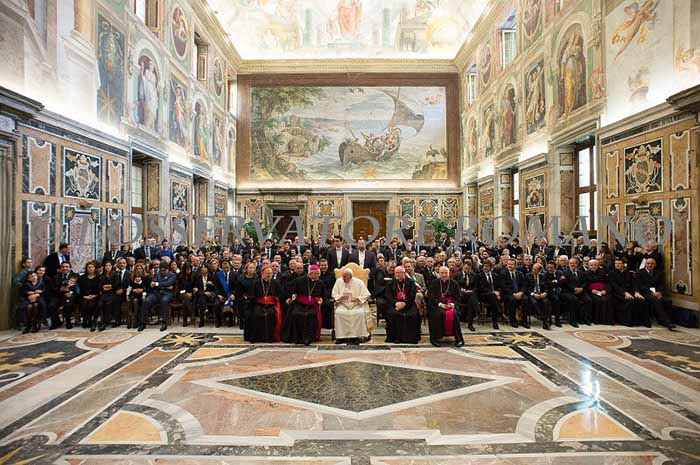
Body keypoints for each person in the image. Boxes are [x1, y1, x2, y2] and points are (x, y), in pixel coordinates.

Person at [283, 265, 325, 345]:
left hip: (312, 305)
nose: (319, 275)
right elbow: (288, 288)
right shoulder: (299, 280)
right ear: (311, 274)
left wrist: (321, 299)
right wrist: (290, 296)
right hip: (299, 304)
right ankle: (297, 338)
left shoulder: (320, 282)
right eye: (317, 274)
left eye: (319, 273)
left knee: (311, 315)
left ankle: (308, 339)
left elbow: (323, 294)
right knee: (296, 314)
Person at [331, 267, 372, 345]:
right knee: (339, 313)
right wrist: (340, 297)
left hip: (356, 304)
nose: (343, 278)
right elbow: (334, 293)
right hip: (342, 304)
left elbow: (367, 294)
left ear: (350, 276)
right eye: (342, 276)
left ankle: (356, 337)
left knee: (359, 313)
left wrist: (357, 299)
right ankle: (341, 337)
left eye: (345, 277)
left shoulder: (359, 282)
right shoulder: (339, 281)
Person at [426, 266, 464, 347]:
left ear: (449, 273)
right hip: (437, 305)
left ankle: (459, 339)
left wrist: (452, 304)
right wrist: (440, 304)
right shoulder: (434, 283)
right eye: (442, 273)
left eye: (446, 273)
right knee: (437, 314)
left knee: (454, 314)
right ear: (439, 273)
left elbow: (458, 298)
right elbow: (431, 298)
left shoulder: (454, 283)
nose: (444, 275)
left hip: (451, 305)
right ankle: (435, 339)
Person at [247, 265, 284, 343]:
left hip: (271, 304)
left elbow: (281, 294)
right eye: (267, 273)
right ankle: (258, 337)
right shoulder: (256, 283)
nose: (269, 275)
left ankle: (270, 337)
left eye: (270, 273)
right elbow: (251, 295)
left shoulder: (276, 282)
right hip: (259, 304)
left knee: (271, 314)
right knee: (257, 314)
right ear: (262, 273)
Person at [384, 266, 421, 344]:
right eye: (396, 273)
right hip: (395, 304)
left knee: (414, 315)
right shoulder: (390, 283)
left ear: (404, 273)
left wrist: (404, 303)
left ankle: (411, 338)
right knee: (393, 314)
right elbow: (388, 295)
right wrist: (395, 303)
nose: (397, 275)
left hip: (408, 303)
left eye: (399, 273)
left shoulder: (410, 282)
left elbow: (412, 295)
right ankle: (396, 338)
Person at [637, 258, 675, 330]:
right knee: (656, 300)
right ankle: (666, 322)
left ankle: (666, 320)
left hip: (658, 293)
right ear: (645, 264)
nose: (650, 265)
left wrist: (659, 292)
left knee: (667, 301)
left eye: (652, 264)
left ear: (655, 265)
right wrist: (652, 293)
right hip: (646, 293)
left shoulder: (659, 273)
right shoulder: (640, 272)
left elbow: (661, 284)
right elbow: (640, 286)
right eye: (648, 263)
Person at [608, 257, 646, 326]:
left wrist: (636, 292)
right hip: (618, 293)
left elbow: (634, 284)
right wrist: (625, 293)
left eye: (619, 263)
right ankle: (628, 322)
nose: (617, 265)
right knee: (630, 301)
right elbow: (615, 286)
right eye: (616, 263)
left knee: (640, 300)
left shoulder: (629, 273)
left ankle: (639, 322)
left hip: (630, 292)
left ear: (623, 264)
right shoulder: (611, 273)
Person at [142, 261, 177, 331]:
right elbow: (153, 283)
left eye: (164, 270)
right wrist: (163, 285)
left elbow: (168, 283)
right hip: (156, 293)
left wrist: (157, 284)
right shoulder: (156, 275)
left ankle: (164, 322)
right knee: (146, 301)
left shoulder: (172, 275)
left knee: (164, 301)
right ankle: (143, 322)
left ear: (167, 269)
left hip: (167, 293)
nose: (162, 272)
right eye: (161, 270)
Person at [477, 261, 503, 330]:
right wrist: (494, 293)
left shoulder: (495, 275)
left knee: (495, 298)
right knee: (494, 298)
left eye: (487, 266)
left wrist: (498, 292)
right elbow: (481, 288)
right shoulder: (479, 276)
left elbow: (499, 286)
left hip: (495, 295)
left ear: (491, 267)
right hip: (484, 295)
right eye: (484, 266)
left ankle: (495, 319)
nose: (485, 268)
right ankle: (495, 320)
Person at [585, 259, 611, 325]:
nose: (593, 266)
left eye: (595, 265)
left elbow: (607, 283)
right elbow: (585, 285)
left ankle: (605, 320)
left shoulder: (602, 272)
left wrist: (605, 290)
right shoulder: (585, 274)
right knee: (598, 300)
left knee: (607, 299)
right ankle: (596, 319)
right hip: (592, 291)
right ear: (588, 266)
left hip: (602, 290)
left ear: (598, 265)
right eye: (591, 265)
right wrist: (591, 290)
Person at [454, 260, 478, 331]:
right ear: (463, 267)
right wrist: (461, 289)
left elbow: (476, 287)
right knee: (472, 298)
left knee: (471, 301)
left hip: (470, 295)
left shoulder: (474, 275)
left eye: (468, 269)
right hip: (460, 295)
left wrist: (471, 290)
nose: (467, 270)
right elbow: (454, 286)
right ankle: (477, 310)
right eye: (465, 268)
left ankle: (470, 324)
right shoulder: (457, 275)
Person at [525, 263, 550, 329]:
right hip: (532, 294)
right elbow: (525, 288)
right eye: (533, 269)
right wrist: (533, 294)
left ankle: (544, 320)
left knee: (546, 302)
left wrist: (544, 293)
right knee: (534, 302)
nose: (533, 270)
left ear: (539, 270)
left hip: (541, 293)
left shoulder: (543, 276)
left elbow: (546, 288)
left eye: (535, 270)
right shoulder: (528, 276)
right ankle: (544, 320)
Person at [502, 258, 526, 328]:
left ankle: (524, 320)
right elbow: (504, 287)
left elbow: (523, 285)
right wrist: (514, 294)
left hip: (519, 293)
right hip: (508, 294)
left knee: (526, 299)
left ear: (515, 265)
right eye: (508, 264)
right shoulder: (503, 274)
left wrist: (521, 292)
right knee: (513, 300)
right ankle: (512, 320)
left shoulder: (519, 274)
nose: (510, 266)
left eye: (512, 264)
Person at [78, 262, 100, 330]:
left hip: (95, 296)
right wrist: (84, 296)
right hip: (84, 296)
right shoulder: (82, 278)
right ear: (86, 269)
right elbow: (79, 289)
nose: (91, 268)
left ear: (95, 268)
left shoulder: (98, 278)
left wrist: (94, 296)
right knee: (84, 304)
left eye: (92, 267)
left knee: (91, 304)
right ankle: (85, 319)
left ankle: (90, 319)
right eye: (89, 267)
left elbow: (99, 289)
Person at [127, 264, 148, 329]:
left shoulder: (146, 277)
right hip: (133, 295)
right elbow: (129, 288)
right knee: (134, 301)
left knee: (142, 301)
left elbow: (147, 288)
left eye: (140, 268)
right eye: (137, 269)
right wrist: (129, 293)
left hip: (143, 295)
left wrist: (142, 291)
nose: (139, 270)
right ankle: (134, 321)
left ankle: (140, 320)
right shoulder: (132, 278)